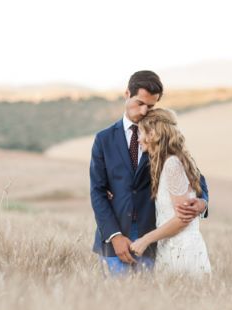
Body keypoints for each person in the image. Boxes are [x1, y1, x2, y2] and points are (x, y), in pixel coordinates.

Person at [89, 70, 209, 276]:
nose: (144, 111)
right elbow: (97, 191)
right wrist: (114, 235)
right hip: (114, 234)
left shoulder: (161, 137)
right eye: (140, 103)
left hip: (154, 236)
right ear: (127, 94)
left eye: (151, 106)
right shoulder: (104, 139)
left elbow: (195, 176)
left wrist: (202, 201)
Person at [129, 109, 212, 276]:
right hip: (171, 247)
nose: (138, 139)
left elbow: (182, 219)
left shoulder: (172, 164)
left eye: (141, 133)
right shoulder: (169, 162)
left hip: (181, 251)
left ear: (152, 134)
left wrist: (145, 240)